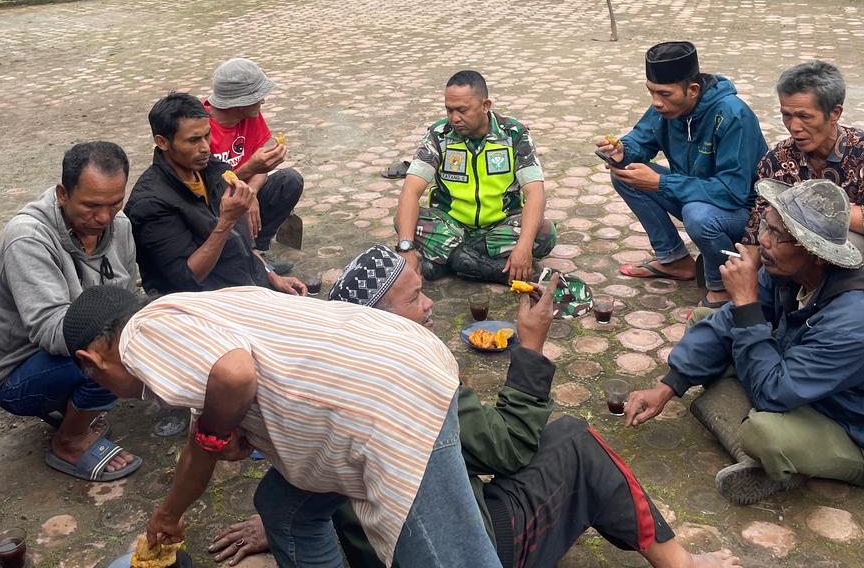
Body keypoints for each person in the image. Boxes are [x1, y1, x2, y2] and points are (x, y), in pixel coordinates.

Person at [210, 245, 739, 568]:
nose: (430, 306)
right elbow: (505, 451)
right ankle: (680, 562)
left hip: (371, 545)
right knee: (578, 442)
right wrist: (530, 347)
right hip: (464, 546)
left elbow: (312, 460)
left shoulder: (321, 369)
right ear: (382, 321)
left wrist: (288, 519)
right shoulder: (411, 372)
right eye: (414, 299)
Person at [65, 284, 505, 568]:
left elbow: (234, 374)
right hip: (388, 365)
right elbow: (212, 417)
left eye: (97, 379)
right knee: (284, 508)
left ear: (92, 360)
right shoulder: (182, 310)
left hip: (386, 401)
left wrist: (213, 441)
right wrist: (221, 436)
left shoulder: (140, 336)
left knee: (445, 557)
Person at [624, 179, 864, 506]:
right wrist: (668, 386)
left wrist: (745, 302)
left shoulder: (860, 319)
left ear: (815, 253)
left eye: (776, 234)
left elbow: (772, 392)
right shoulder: (787, 270)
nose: (762, 241)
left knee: (765, 433)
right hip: (817, 387)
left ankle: (795, 461)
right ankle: (773, 446)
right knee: (706, 320)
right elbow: (731, 320)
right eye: (765, 226)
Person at [0, 141, 143, 483]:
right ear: (63, 193)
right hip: (15, 373)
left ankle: (72, 407)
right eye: (91, 205)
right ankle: (69, 441)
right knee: (114, 356)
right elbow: (51, 330)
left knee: (133, 339)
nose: (104, 217)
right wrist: (127, 339)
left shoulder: (119, 225)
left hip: (69, 352)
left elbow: (128, 293)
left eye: (115, 203)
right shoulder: (28, 238)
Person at [602, 42, 767, 307]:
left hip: (742, 214)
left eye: (664, 94)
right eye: (651, 92)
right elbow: (639, 140)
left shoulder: (732, 114)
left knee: (699, 216)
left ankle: (724, 286)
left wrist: (661, 183)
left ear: (693, 90)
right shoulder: (667, 109)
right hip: (696, 196)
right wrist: (622, 151)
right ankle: (674, 259)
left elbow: (732, 191)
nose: (656, 102)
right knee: (625, 173)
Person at [127, 92, 305, 296]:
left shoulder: (212, 169)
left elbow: (244, 245)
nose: (205, 147)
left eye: (207, 135)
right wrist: (227, 221)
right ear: (162, 142)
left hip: (247, 287)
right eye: (193, 140)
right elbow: (188, 279)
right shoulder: (151, 203)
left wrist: (271, 276)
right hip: (209, 307)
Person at [396, 70, 555, 284]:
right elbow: (410, 191)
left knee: (545, 233)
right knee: (404, 221)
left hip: (499, 226)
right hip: (452, 226)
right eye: (449, 110)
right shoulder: (438, 135)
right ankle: (492, 270)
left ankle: (449, 260)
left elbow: (535, 193)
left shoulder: (515, 135)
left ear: (485, 105)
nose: (454, 118)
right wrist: (406, 248)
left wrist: (524, 247)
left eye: (462, 110)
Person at [743, 61, 864, 259]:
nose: (794, 126)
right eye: (786, 115)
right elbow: (757, 226)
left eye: (804, 116)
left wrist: (805, 207)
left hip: (861, 265)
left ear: (835, 113)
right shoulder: (777, 159)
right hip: (791, 263)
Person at [206, 58, 303, 257]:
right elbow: (210, 189)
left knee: (290, 181)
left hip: (242, 190)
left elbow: (260, 170)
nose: (263, 101)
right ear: (239, 104)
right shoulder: (200, 128)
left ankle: (257, 249)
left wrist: (251, 191)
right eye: (258, 97)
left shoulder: (250, 116)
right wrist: (248, 172)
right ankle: (233, 252)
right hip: (213, 202)